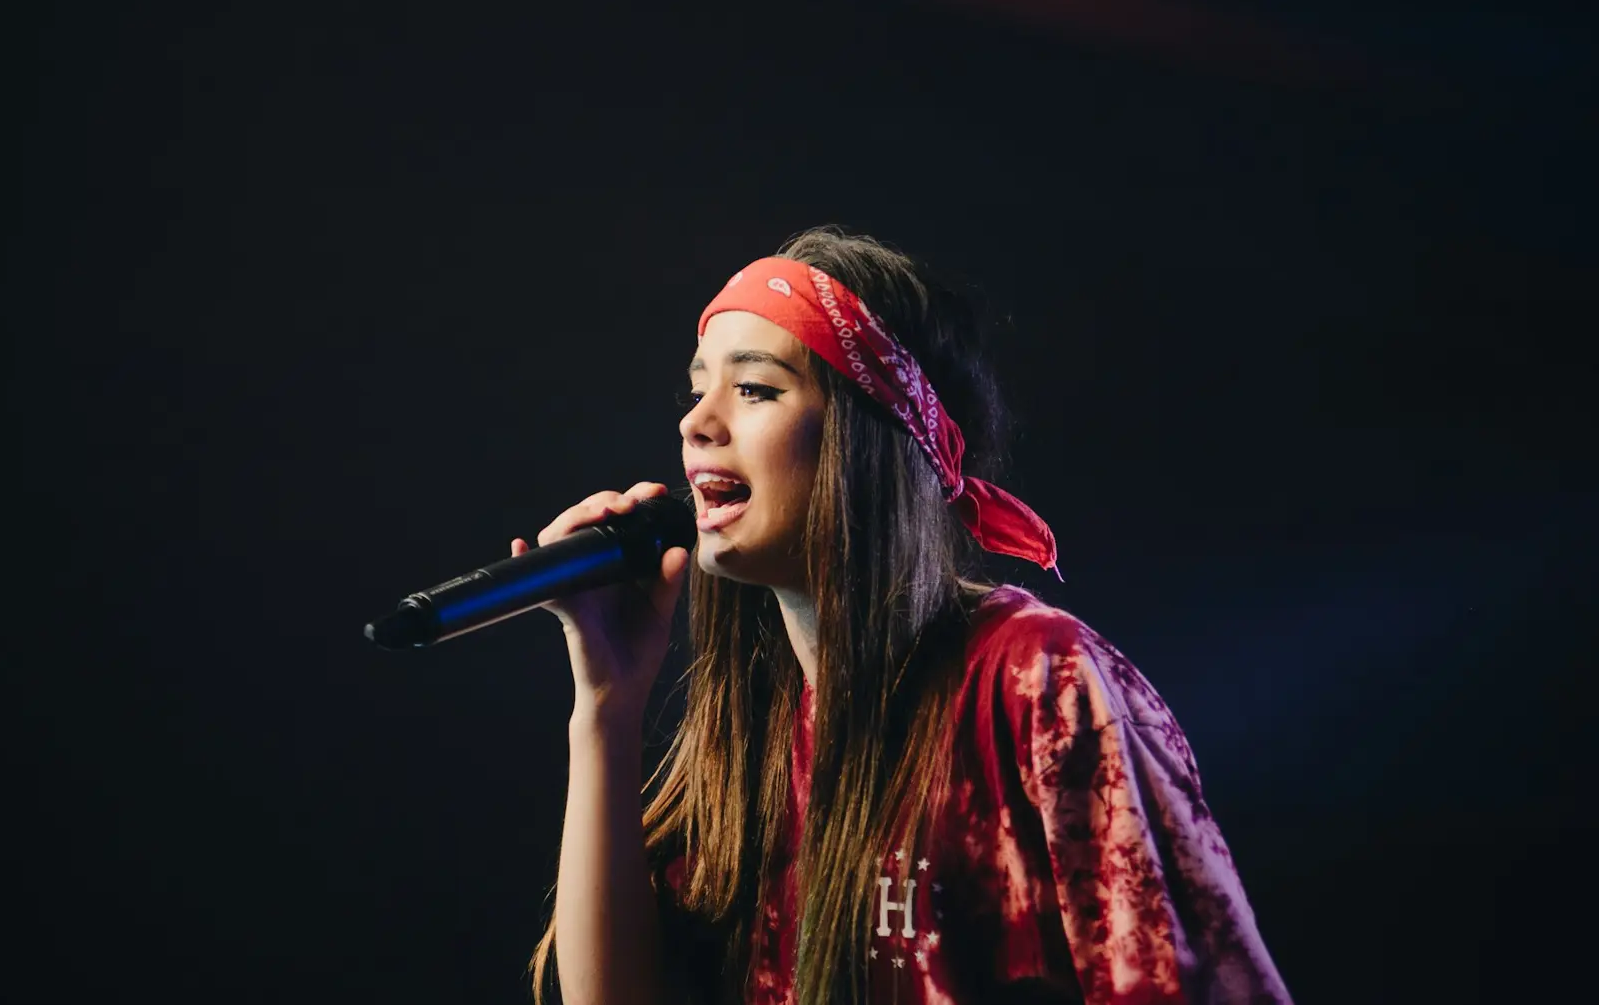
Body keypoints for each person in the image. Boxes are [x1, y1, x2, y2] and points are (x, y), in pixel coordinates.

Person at [526, 229, 1290, 1004]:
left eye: (754, 388)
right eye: (697, 390)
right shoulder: (752, 729)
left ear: (872, 430)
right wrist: (606, 705)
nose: (697, 423)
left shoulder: (1034, 680)